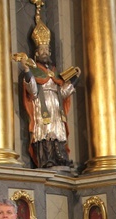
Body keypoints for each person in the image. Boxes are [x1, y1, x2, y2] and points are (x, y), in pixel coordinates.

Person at [19, 15, 77, 169]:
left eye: (47, 49)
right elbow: (32, 90)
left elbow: (63, 93)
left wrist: (74, 81)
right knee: (46, 133)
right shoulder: (34, 71)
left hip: (56, 109)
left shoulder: (55, 73)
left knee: (58, 132)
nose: (45, 52)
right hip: (42, 107)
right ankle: (46, 159)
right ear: (36, 53)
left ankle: (61, 158)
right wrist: (26, 70)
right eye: (42, 49)